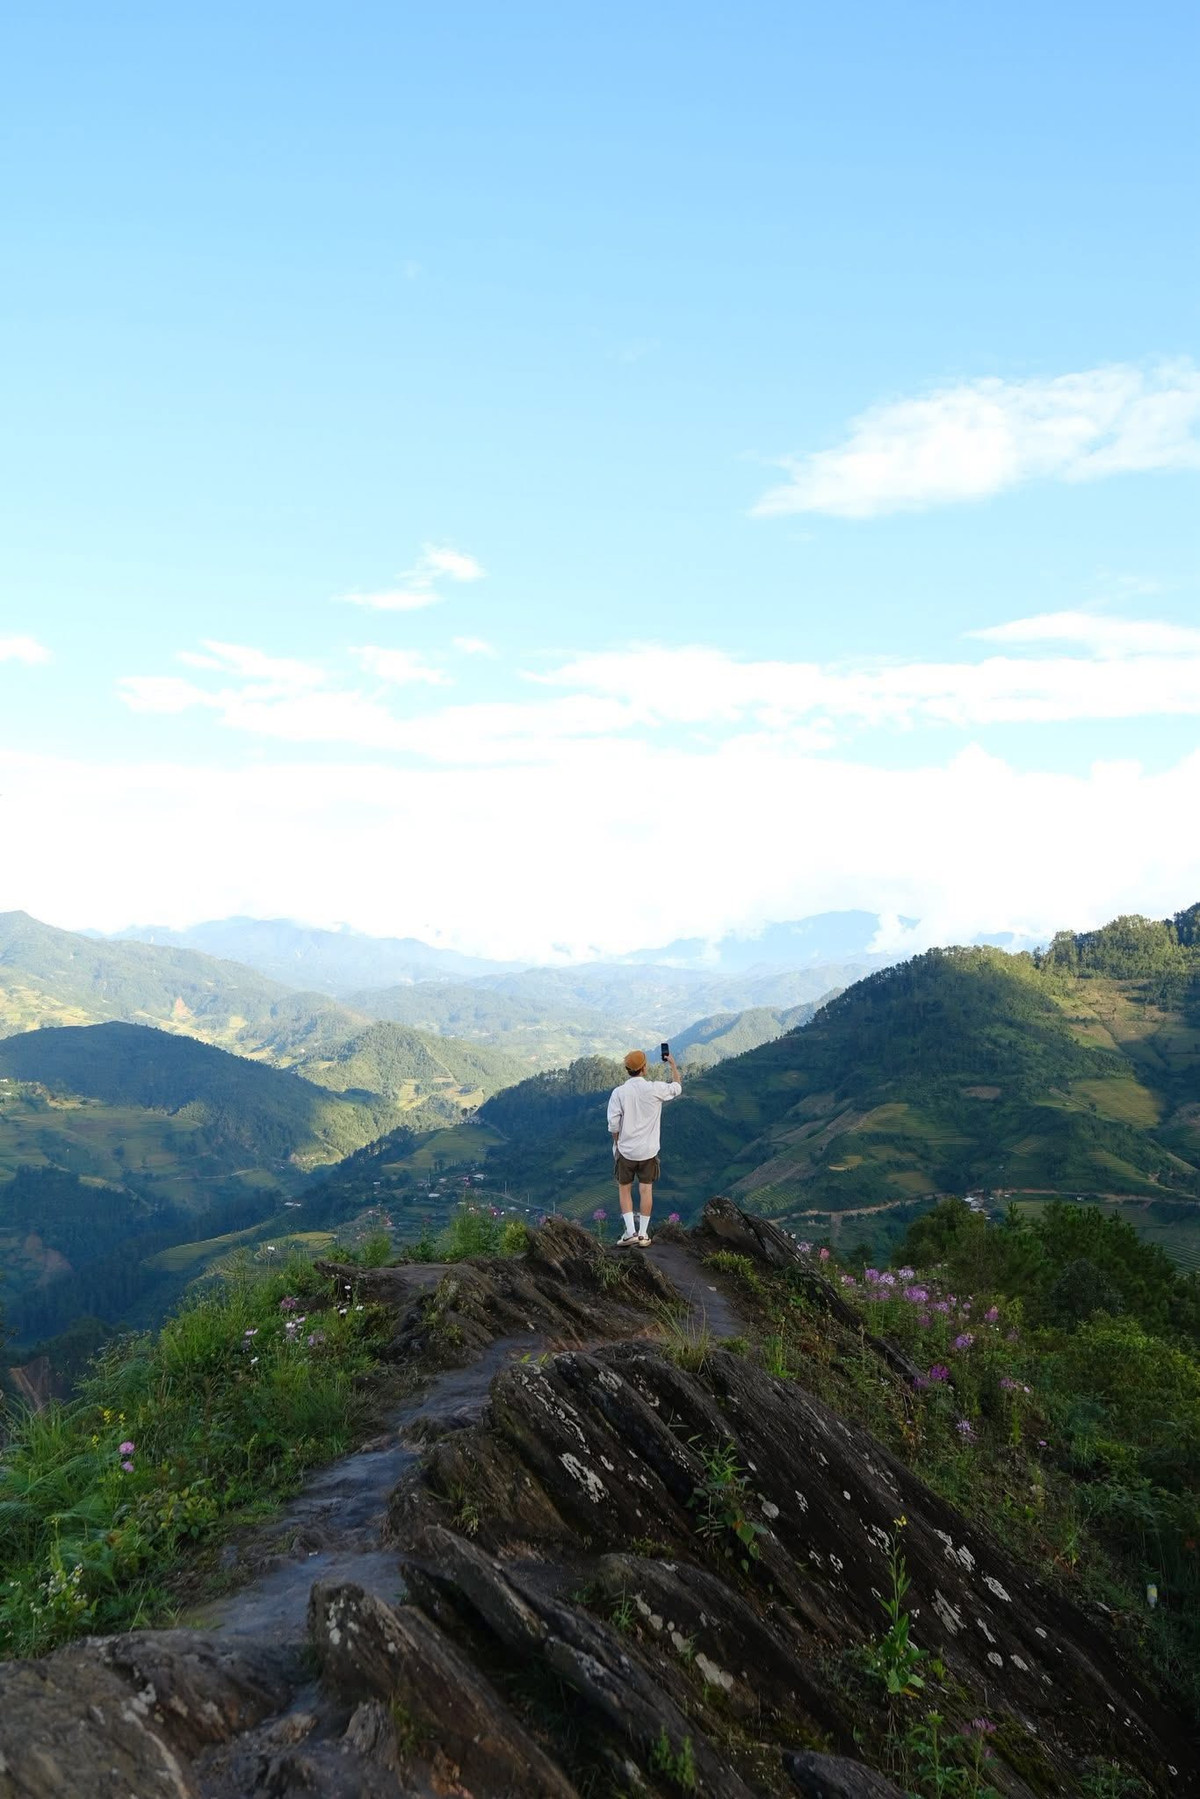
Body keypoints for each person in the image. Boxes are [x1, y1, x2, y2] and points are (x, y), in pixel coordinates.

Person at [606, 1048, 682, 1245]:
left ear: (627, 1069)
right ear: (644, 1068)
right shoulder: (655, 1089)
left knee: (624, 1189)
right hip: (648, 1151)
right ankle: (643, 1234)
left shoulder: (619, 1093)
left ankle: (630, 1232)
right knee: (646, 1190)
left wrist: (617, 1142)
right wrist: (673, 1065)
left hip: (626, 1151)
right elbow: (677, 1087)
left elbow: (613, 1125)